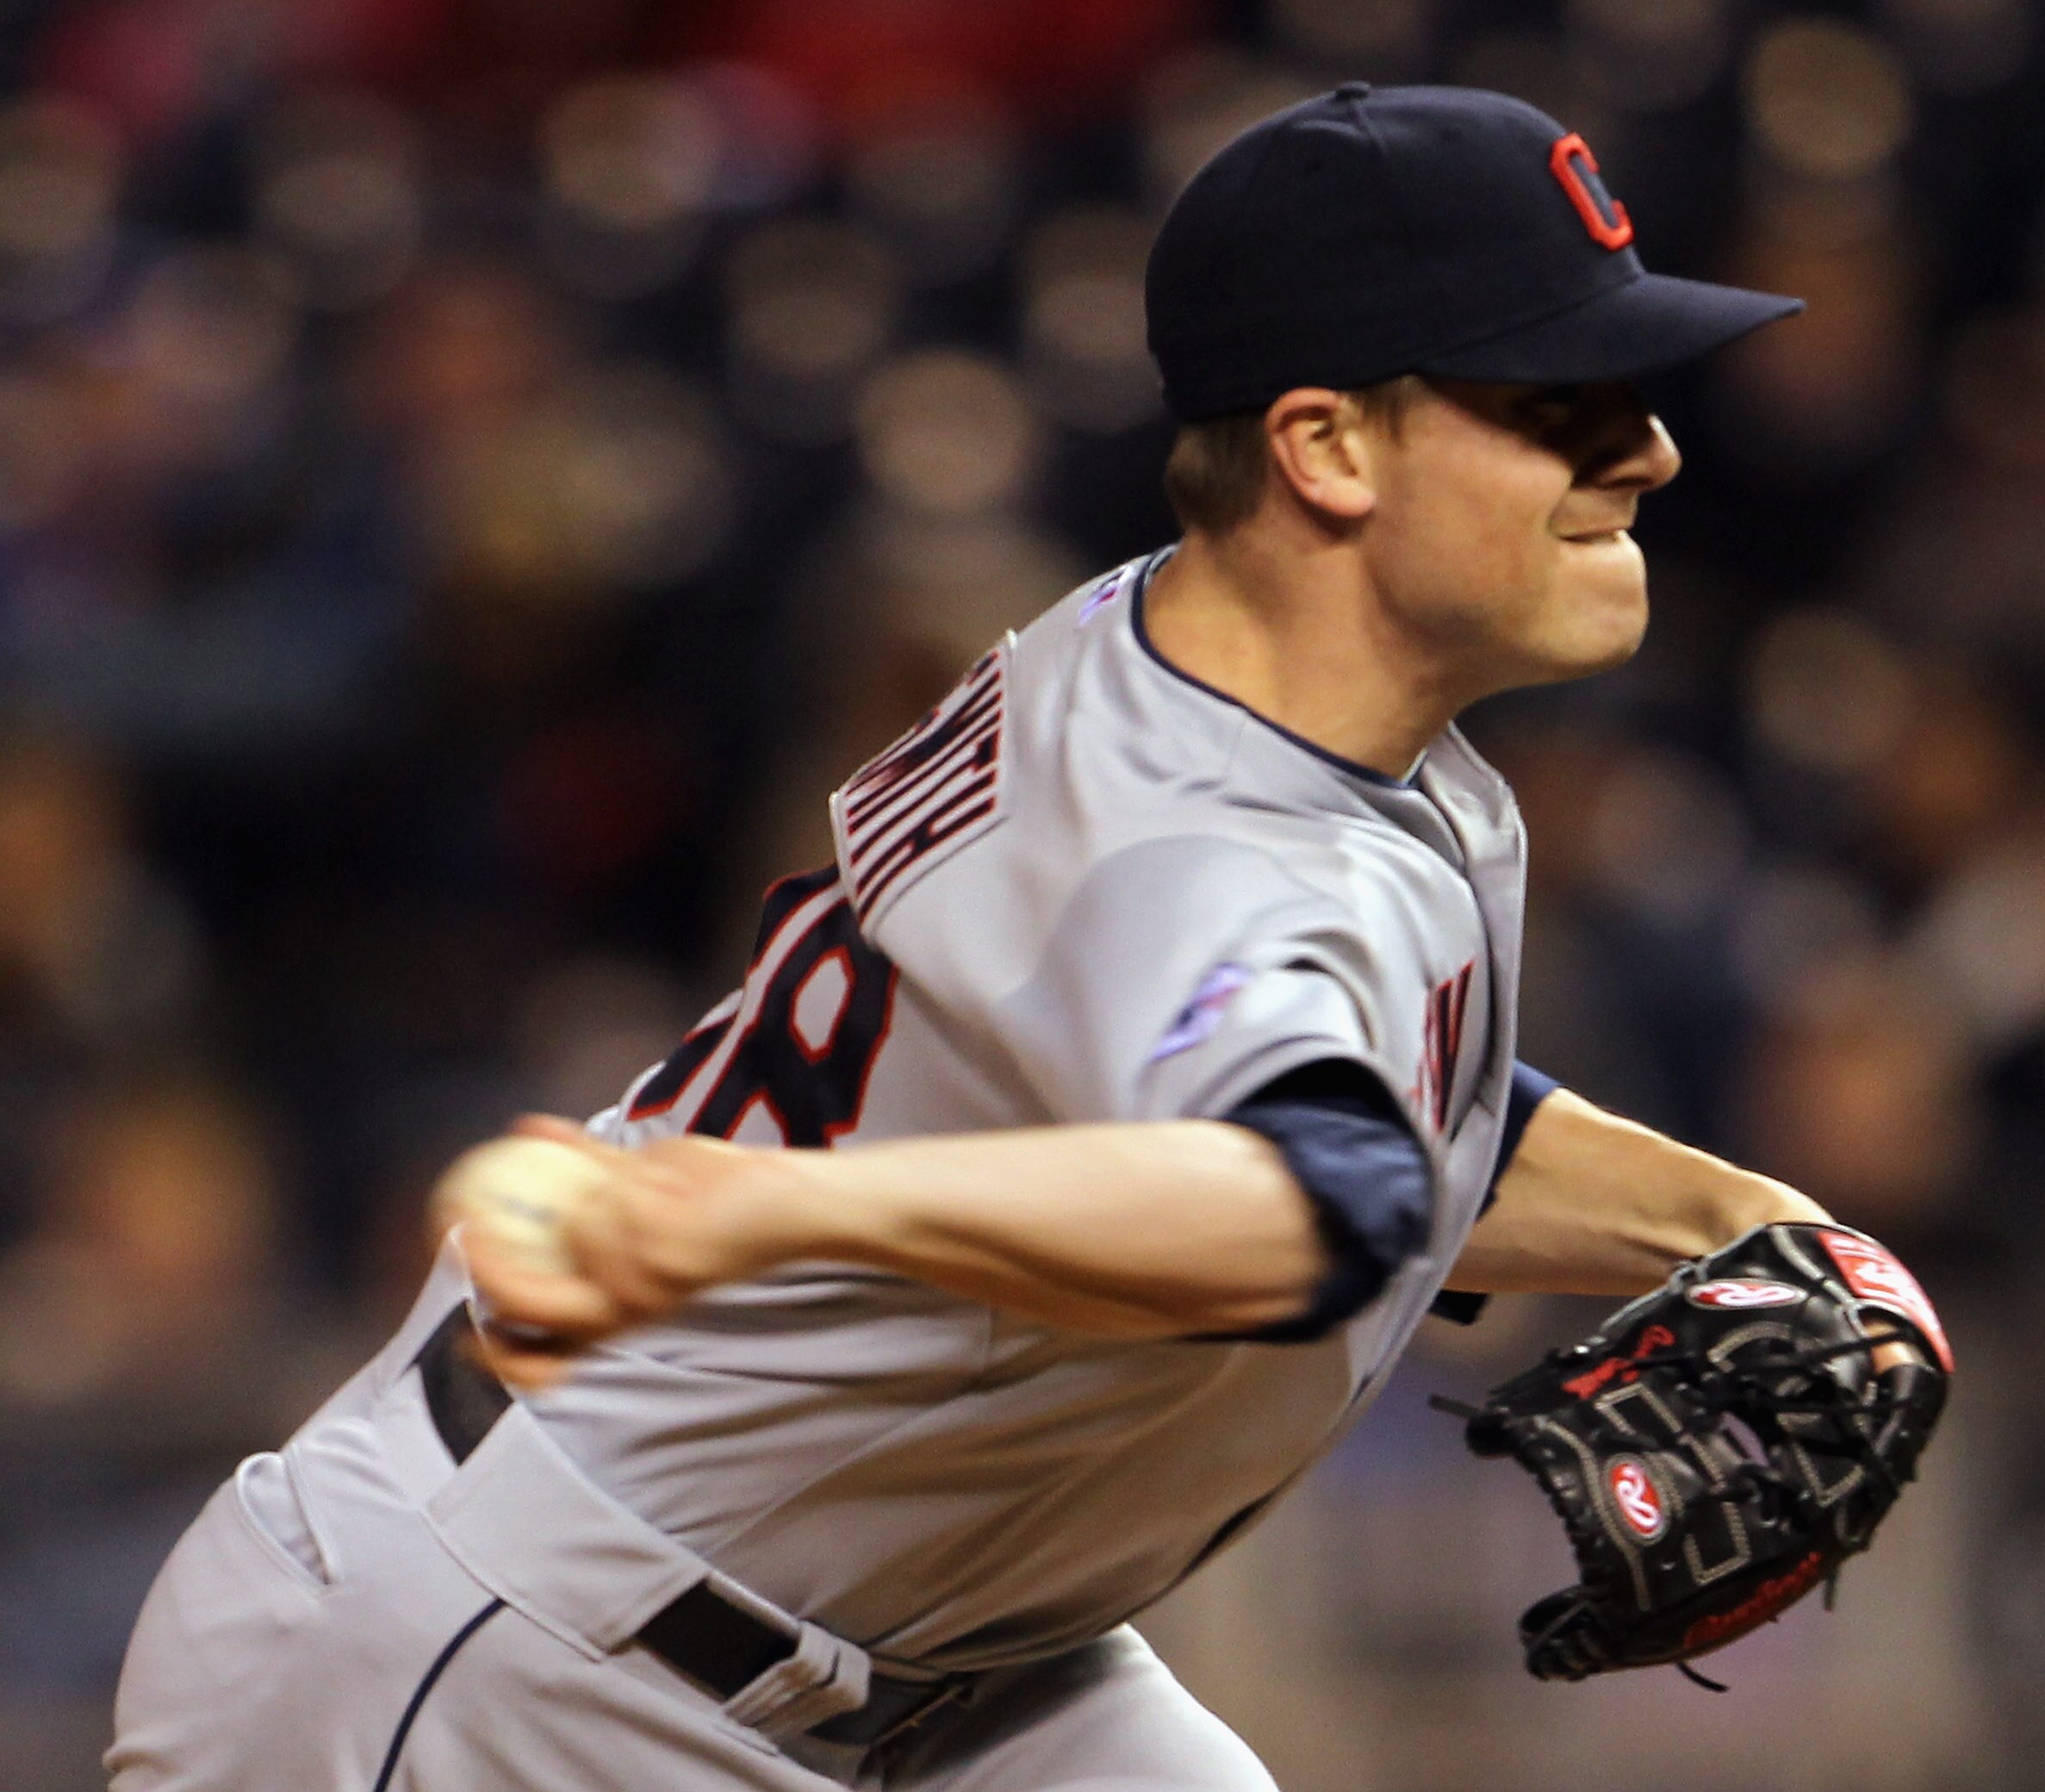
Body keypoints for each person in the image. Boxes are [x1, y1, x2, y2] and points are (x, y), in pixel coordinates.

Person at [109, 84, 1850, 1792]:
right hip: (502, 1667)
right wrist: (792, 1211)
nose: (1647, 448)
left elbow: (1387, 1109)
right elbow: (1311, 1202)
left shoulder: (1230, 681)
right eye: (1556, 398)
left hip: (927, 1658)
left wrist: (1758, 1233)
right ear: (1322, 447)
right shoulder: (1193, 845)